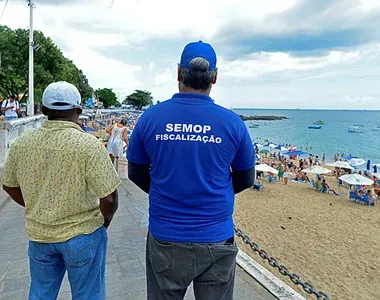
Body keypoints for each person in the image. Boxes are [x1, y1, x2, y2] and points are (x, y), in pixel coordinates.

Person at [127, 41, 255, 300]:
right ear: (215, 77)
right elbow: (245, 177)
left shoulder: (151, 118)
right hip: (216, 237)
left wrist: (165, 189)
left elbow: (136, 172)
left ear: (178, 74)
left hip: (166, 236)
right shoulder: (232, 123)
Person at [1, 81, 120, 299]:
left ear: (44, 111)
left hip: (40, 236)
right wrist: (105, 222)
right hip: (82, 234)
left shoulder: (22, 143)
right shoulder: (88, 145)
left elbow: (8, 185)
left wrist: (36, 204)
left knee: (40, 293)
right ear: (78, 111)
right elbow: (110, 197)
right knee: (88, 295)